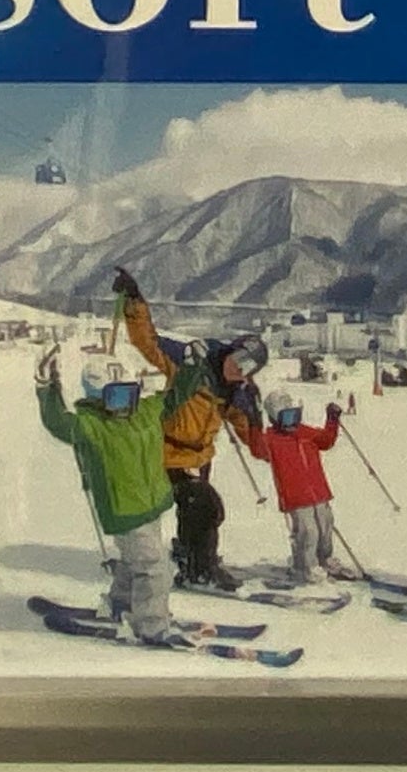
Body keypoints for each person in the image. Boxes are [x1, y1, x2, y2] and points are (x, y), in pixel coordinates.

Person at [115, 270, 263, 588]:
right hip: (165, 452)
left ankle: (190, 556)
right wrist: (134, 301)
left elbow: (253, 440)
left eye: (248, 368)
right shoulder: (193, 365)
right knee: (204, 505)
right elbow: (148, 342)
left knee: (199, 509)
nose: (238, 368)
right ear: (232, 349)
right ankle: (198, 569)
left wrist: (258, 417)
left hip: (197, 459)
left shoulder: (234, 392)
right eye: (239, 359)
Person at [35, 348, 185, 645]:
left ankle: (122, 604)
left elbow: (175, 397)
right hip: (124, 510)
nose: (124, 405)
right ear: (97, 398)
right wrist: (47, 386)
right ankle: (151, 624)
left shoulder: (145, 413)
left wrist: (192, 368)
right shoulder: (90, 426)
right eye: (115, 397)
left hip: (150, 504)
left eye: (129, 395)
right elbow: (57, 422)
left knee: (134, 562)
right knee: (154, 567)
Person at [234, 394, 349, 584]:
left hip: (319, 491)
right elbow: (258, 450)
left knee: (325, 526)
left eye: (295, 416)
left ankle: (325, 559)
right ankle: (304, 567)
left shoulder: (304, 432)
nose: (292, 423)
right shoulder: (271, 438)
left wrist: (332, 419)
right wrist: (254, 423)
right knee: (308, 532)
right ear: (274, 419)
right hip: (296, 496)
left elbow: (326, 441)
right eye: (286, 418)